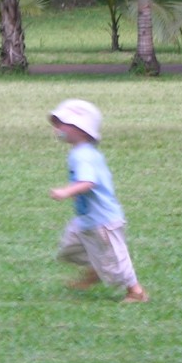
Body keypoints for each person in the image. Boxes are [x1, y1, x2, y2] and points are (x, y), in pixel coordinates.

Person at [48, 100, 149, 303]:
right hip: (86, 219)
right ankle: (96, 269)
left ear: (81, 129)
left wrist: (66, 192)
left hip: (103, 220)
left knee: (115, 260)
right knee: (69, 249)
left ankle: (136, 292)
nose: (58, 129)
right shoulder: (80, 153)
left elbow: (88, 182)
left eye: (62, 124)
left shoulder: (83, 156)